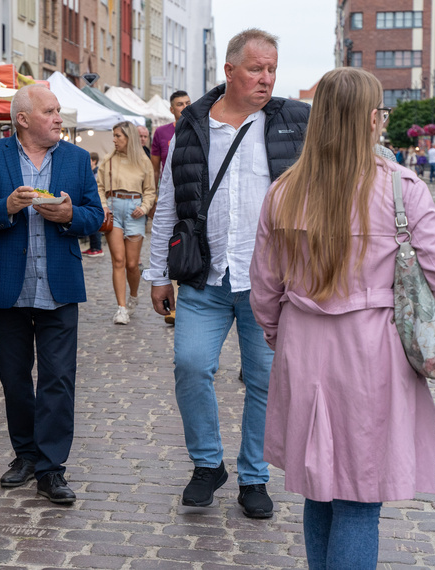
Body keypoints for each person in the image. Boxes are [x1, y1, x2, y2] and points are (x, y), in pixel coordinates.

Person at [250, 66, 435, 569]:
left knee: (318, 490)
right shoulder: (400, 188)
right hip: (371, 352)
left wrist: (275, 334)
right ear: (372, 119)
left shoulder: (283, 189)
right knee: (358, 498)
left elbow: (264, 284)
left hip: (303, 346)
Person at [145, 28, 310, 518]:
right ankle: (207, 463)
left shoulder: (292, 123)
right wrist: (157, 274)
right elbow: (171, 204)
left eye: (272, 69)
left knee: (264, 382)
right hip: (207, 279)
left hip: (271, 284)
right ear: (230, 70)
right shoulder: (192, 128)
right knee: (192, 366)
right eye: (257, 68)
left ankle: (254, 478)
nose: (266, 78)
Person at [0, 84, 103, 504]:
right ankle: (24, 455)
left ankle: (51, 469)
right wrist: (5, 207)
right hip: (7, 285)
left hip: (59, 285)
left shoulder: (76, 159)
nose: (59, 118)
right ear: (22, 119)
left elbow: (95, 215)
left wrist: (71, 214)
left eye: (58, 111)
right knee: (15, 379)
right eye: (50, 111)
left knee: (58, 378)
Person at [98, 121, 155, 324]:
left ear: (128, 138)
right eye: (113, 135)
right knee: (118, 261)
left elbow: (150, 190)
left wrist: (146, 206)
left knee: (132, 264)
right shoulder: (108, 160)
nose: (114, 139)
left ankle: (133, 295)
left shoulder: (142, 160)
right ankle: (121, 308)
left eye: (118, 136)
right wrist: (104, 206)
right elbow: (99, 187)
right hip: (113, 208)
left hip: (134, 211)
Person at [151, 90, 191, 187]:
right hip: (169, 188)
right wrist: (153, 196)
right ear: (172, 110)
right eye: (180, 104)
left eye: (188, 103)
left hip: (192, 189)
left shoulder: (200, 131)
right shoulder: (161, 132)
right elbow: (155, 170)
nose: (185, 107)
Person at [82, 152, 105, 257]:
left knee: (95, 223)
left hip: (97, 200)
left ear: (94, 161)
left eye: (90, 160)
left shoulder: (97, 172)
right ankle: (93, 247)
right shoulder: (90, 171)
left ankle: (97, 248)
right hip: (91, 199)